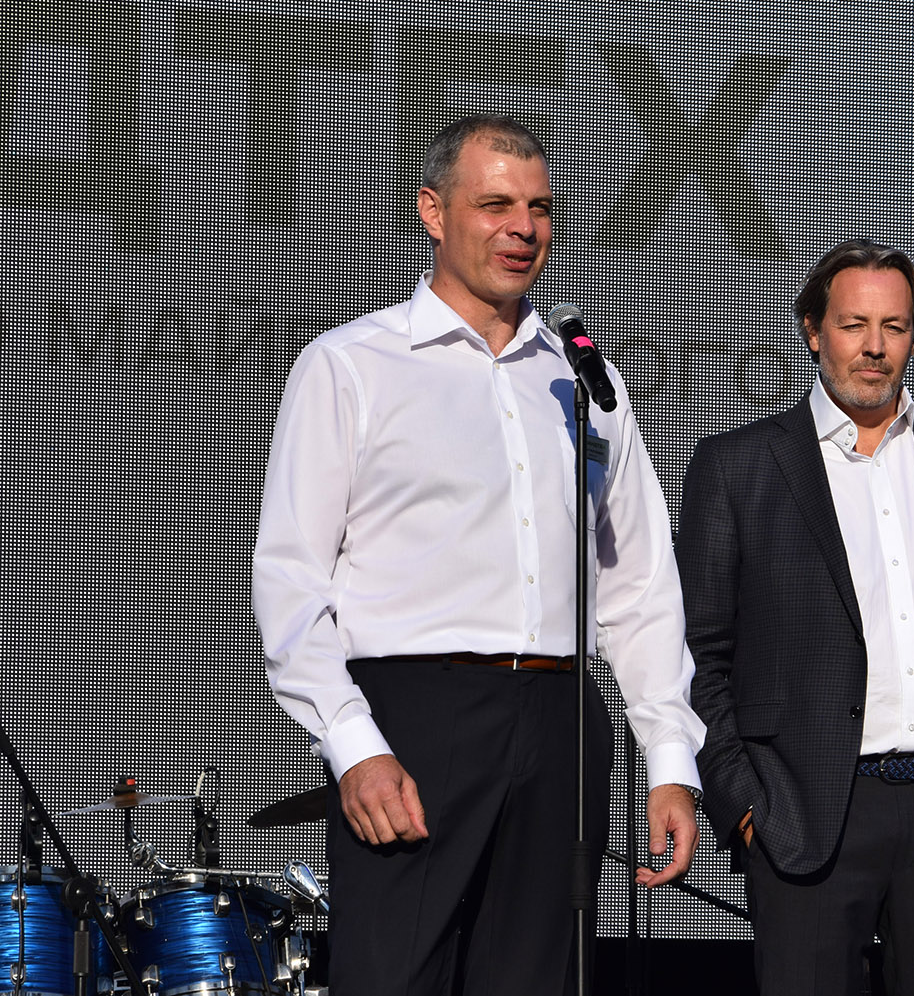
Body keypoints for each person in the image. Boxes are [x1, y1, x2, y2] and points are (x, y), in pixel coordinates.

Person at [252, 114, 705, 996]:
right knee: (393, 977)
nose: (523, 228)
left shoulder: (582, 378)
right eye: (496, 204)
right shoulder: (352, 364)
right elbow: (291, 579)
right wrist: (353, 742)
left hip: (561, 716)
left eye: (540, 208)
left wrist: (671, 760)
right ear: (432, 210)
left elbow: (639, 585)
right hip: (415, 714)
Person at [677, 239, 914, 996]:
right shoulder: (737, 467)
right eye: (854, 324)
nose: (875, 346)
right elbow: (698, 655)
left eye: (894, 325)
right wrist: (745, 808)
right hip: (803, 817)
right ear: (813, 329)